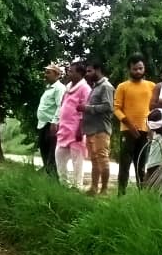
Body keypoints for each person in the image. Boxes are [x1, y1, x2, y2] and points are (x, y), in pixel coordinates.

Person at [114, 54, 155, 194]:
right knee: (124, 164)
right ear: (129, 69)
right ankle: (121, 193)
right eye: (134, 69)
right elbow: (117, 109)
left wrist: (152, 128)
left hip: (145, 131)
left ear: (144, 68)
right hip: (127, 130)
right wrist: (130, 125)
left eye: (140, 68)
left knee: (141, 165)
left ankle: (141, 195)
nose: (138, 71)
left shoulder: (151, 86)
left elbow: (154, 109)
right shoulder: (122, 86)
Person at [83, 59, 115, 196]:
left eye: (90, 71)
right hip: (91, 129)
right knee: (94, 160)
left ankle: (104, 189)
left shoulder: (106, 86)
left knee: (102, 158)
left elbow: (108, 106)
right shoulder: (95, 87)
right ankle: (94, 188)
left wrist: (88, 108)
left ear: (98, 70)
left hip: (101, 129)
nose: (87, 74)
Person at [55, 62, 90, 188]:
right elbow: (62, 106)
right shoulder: (68, 87)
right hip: (64, 129)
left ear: (80, 74)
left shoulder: (85, 89)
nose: (68, 73)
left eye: (71, 71)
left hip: (76, 131)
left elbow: (85, 110)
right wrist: (57, 122)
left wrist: (80, 129)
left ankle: (77, 186)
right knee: (59, 156)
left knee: (77, 161)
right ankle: (63, 184)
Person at [36, 64, 65, 176]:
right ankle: (48, 177)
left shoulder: (59, 88)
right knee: (44, 151)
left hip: (51, 125)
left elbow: (60, 106)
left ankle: (53, 179)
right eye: (46, 72)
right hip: (43, 124)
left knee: (51, 154)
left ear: (57, 75)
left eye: (49, 72)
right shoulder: (49, 88)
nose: (45, 75)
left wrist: (55, 121)